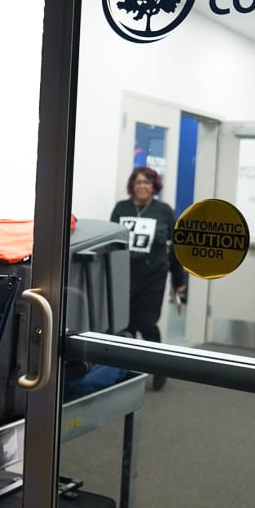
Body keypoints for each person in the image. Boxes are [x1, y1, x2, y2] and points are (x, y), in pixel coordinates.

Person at [110, 166, 186, 390]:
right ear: (132, 186)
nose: (142, 186)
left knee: (147, 324)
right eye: (138, 182)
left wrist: (179, 280)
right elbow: (111, 242)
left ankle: (159, 367)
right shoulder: (121, 208)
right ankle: (128, 371)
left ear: (154, 187)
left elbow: (176, 249)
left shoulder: (163, 211)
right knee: (128, 326)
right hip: (125, 278)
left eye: (147, 182)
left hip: (154, 278)